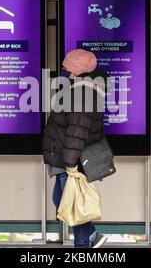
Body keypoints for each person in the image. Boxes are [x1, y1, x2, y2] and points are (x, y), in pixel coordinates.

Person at [43, 48, 108, 248]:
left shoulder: (82, 94)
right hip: (65, 156)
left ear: (77, 71)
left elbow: (77, 132)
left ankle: (83, 247)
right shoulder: (78, 90)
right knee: (59, 198)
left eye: (66, 67)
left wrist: (71, 164)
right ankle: (93, 235)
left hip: (70, 159)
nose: (62, 69)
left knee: (75, 208)